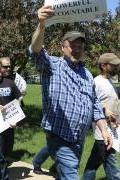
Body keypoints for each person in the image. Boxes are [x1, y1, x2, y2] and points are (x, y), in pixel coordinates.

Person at [28, 5, 113, 180]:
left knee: (63, 174)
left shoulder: (87, 74)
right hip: (59, 135)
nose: (76, 49)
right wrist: (41, 24)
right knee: (71, 175)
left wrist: (104, 130)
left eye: (80, 46)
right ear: (63, 47)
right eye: (72, 45)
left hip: (78, 138)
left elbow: (95, 104)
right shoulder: (51, 65)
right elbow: (35, 50)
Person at [83, 53, 120, 180]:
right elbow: (89, 104)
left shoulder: (109, 81)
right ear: (104, 66)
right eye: (113, 65)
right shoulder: (96, 82)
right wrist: (104, 111)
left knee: (93, 164)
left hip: (112, 129)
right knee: (112, 167)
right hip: (103, 131)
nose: (117, 67)